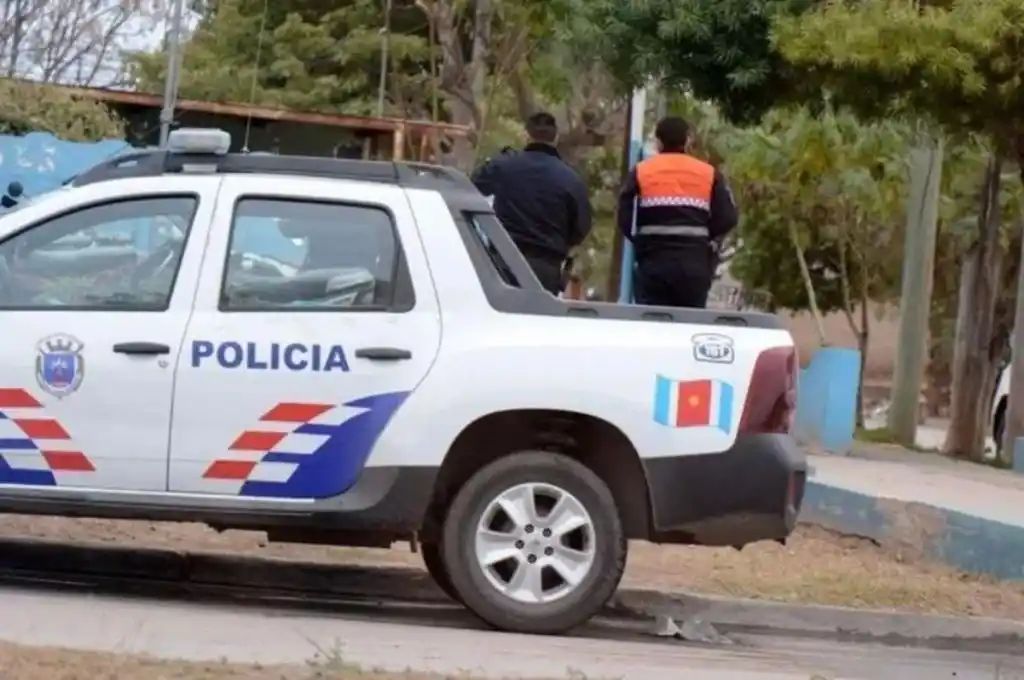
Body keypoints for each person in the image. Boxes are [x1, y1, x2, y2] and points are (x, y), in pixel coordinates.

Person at [616, 116, 738, 308]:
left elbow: (624, 213)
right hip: (694, 264)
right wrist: (706, 237)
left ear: (658, 142)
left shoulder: (641, 171)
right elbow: (728, 217)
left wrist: (638, 240)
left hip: (653, 262)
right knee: (688, 323)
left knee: (652, 320)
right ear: (687, 140)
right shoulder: (708, 173)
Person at [471, 112, 592, 295]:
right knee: (539, 313)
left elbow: (473, 186)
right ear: (555, 137)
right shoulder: (571, 179)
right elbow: (582, 226)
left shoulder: (504, 166)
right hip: (546, 267)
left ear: (527, 135)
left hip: (503, 261)